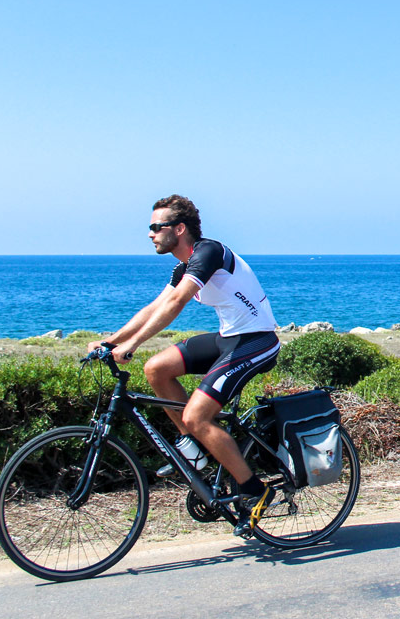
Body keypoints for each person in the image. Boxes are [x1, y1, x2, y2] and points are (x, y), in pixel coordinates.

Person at [90, 195, 280, 536]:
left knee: (196, 415)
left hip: (257, 341)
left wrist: (132, 344)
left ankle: (256, 489)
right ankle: (193, 449)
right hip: (230, 337)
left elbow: (177, 302)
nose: (150, 234)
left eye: (156, 227)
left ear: (179, 229)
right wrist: (112, 341)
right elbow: (156, 306)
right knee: (155, 369)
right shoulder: (183, 266)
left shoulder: (209, 252)